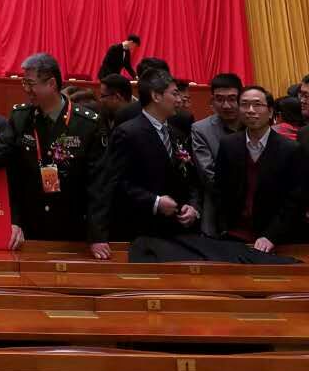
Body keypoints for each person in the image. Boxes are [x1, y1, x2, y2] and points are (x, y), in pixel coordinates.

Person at [7, 52, 110, 259]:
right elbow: (12, 177)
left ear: (51, 83)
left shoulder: (87, 123)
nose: (26, 89)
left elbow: (98, 184)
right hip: (29, 228)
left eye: (31, 84)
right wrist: (14, 221)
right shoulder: (20, 117)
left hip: (73, 229)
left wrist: (97, 234)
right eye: (24, 83)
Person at [108, 67, 201, 240]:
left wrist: (193, 206)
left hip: (180, 229)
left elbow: (191, 178)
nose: (179, 100)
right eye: (174, 94)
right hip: (143, 229)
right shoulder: (127, 133)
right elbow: (117, 182)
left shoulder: (177, 134)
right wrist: (155, 202)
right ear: (156, 96)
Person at [213, 85, 306, 251]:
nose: (250, 110)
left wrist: (272, 235)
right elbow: (220, 189)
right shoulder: (228, 144)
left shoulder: (290, 149)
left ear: (270, 112)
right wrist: (224, 227)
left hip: (276, 237)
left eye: (257, 104)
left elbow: (295, 199)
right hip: (234, 234)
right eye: (244, 104)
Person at [191, 72, 243, 235]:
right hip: (218, 210)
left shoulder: (253, 123)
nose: (226, 105)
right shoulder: (201, 129)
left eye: (232, 99)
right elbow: (208, 174)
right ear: (212, 100)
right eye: (220, 99)